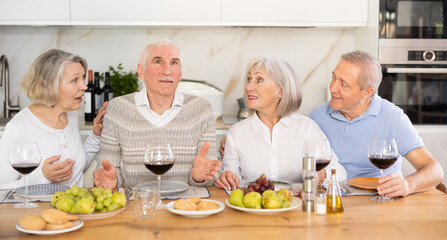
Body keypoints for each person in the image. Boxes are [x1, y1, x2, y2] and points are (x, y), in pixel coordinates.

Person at [309, 50, 444, 197]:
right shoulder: (317, 116)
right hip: (331, 201)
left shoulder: (392, 117)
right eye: (333, 78)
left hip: (379, 202)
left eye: (344, 84)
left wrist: (408, 185)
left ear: (367, 93)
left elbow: (434, 171)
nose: (333, 88)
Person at [93, 39, 221, 189]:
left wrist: (199, 178)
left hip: (185, 206)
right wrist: (112, 181)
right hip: (138, 207)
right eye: (158, 62)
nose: (167, 71)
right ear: (141, 71)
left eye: (174, 63)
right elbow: (108, 170)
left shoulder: (201, 109)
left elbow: (211, 175)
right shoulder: (118, 109)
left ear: (180, 73)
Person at [214, 56, 347, 190]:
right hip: (253, 207)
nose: (248, 87)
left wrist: (319, 176)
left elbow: (338, 171)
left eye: (258, 80)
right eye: (249, 80)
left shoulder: (306, 127)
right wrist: (227, 178)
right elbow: (230, 178)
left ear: (280, 91)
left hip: (298, 207)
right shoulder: (236, 133)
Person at [0, 49, 107, 189]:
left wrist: (95, 136)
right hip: (39, 211)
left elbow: (75, 169)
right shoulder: (18, 127)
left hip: (77, 209)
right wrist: (42, 177)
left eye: (83, 77)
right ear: (50, 85)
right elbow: (2, 187)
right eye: (74, 80)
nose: (84, 86)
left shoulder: (71, 115)